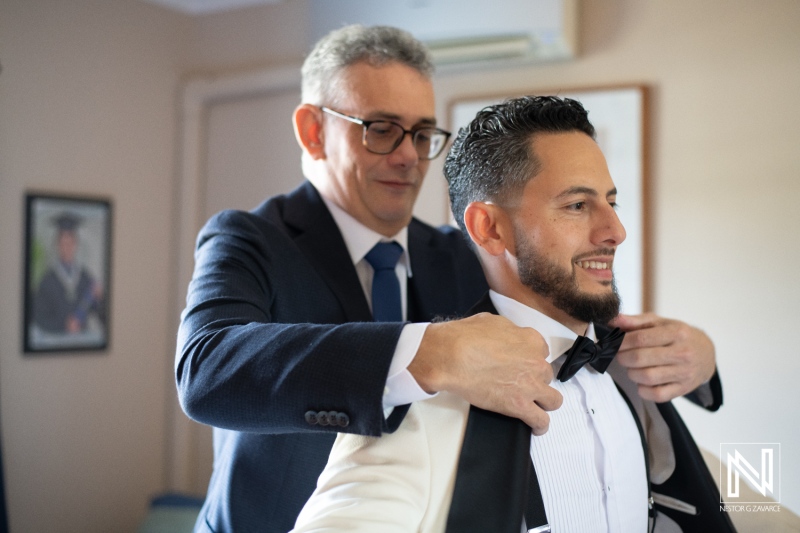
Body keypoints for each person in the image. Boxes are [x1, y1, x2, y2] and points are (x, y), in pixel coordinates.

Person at [176, 26, 720, 533]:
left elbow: (564, 310)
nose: (410, 156)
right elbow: (206, 368)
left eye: (422, 132)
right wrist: (427, 352)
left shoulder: (460, 252)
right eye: (382, 130)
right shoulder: (248, 239)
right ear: (313, 131)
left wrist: (698, 359)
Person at [291, 96, 733, 533]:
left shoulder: (629, 364)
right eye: (577, 205)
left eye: (611, 203)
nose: (615, 232)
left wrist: (706, 356)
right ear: (491, 228)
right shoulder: (420, 409)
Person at [32, 212, 105, 334]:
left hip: (82, 346)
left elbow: (101, 316)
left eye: (70, 243)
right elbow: (39, 318)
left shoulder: (85, 277)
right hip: (55, 344)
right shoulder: (47, 280)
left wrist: (100, 299)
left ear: (76, 244)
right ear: (57, 245)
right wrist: (63, 325)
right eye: (63, 243)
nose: (67, 247)